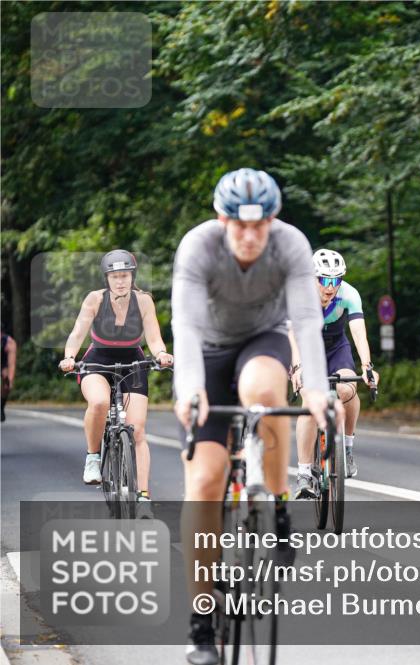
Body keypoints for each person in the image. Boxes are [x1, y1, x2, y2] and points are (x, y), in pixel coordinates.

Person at [171, 167, 338, 665]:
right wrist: (190, 389)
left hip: (264, 340)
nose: (248, 236)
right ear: (222, 219)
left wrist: (315, 391)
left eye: (259, 225)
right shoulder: (198, 246)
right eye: (238, 225)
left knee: (265, 391)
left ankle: (278, 506)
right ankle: (202, 624)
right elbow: (183, 323)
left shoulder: (291, 245)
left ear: (273, 219)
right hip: (207, 349)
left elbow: (307, 319)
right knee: (203, 482)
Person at [56, 251, 173, 517]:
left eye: (125, 276)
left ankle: (143, 497)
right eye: (115, 277)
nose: (120, 281)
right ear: (107, 278)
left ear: (132, 276)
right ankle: (93, 457)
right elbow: (77, 334)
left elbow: (154, 338)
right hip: (98, 359)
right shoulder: (95, 299)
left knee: (138, 430)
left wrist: (161, 354)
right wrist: (69, 357)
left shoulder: (143, 301)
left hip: (133, 360)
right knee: (98, 402)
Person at [290, 249, 379, 497]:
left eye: (336, 280)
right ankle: (305, 473)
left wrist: (367, 366)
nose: (331, 287)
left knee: (346, 387)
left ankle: (347, 448)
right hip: (306, 347)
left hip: (336, 345)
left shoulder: (349, 294)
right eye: (325, 280)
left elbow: (358, 330)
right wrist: (297, 366)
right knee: (309, 402)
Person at [1, 330, 16, 422]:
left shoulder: (9, 342)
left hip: (3, 363)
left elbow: (11, 364)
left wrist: (9, 380)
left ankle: (1, 406)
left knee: (6, 379)